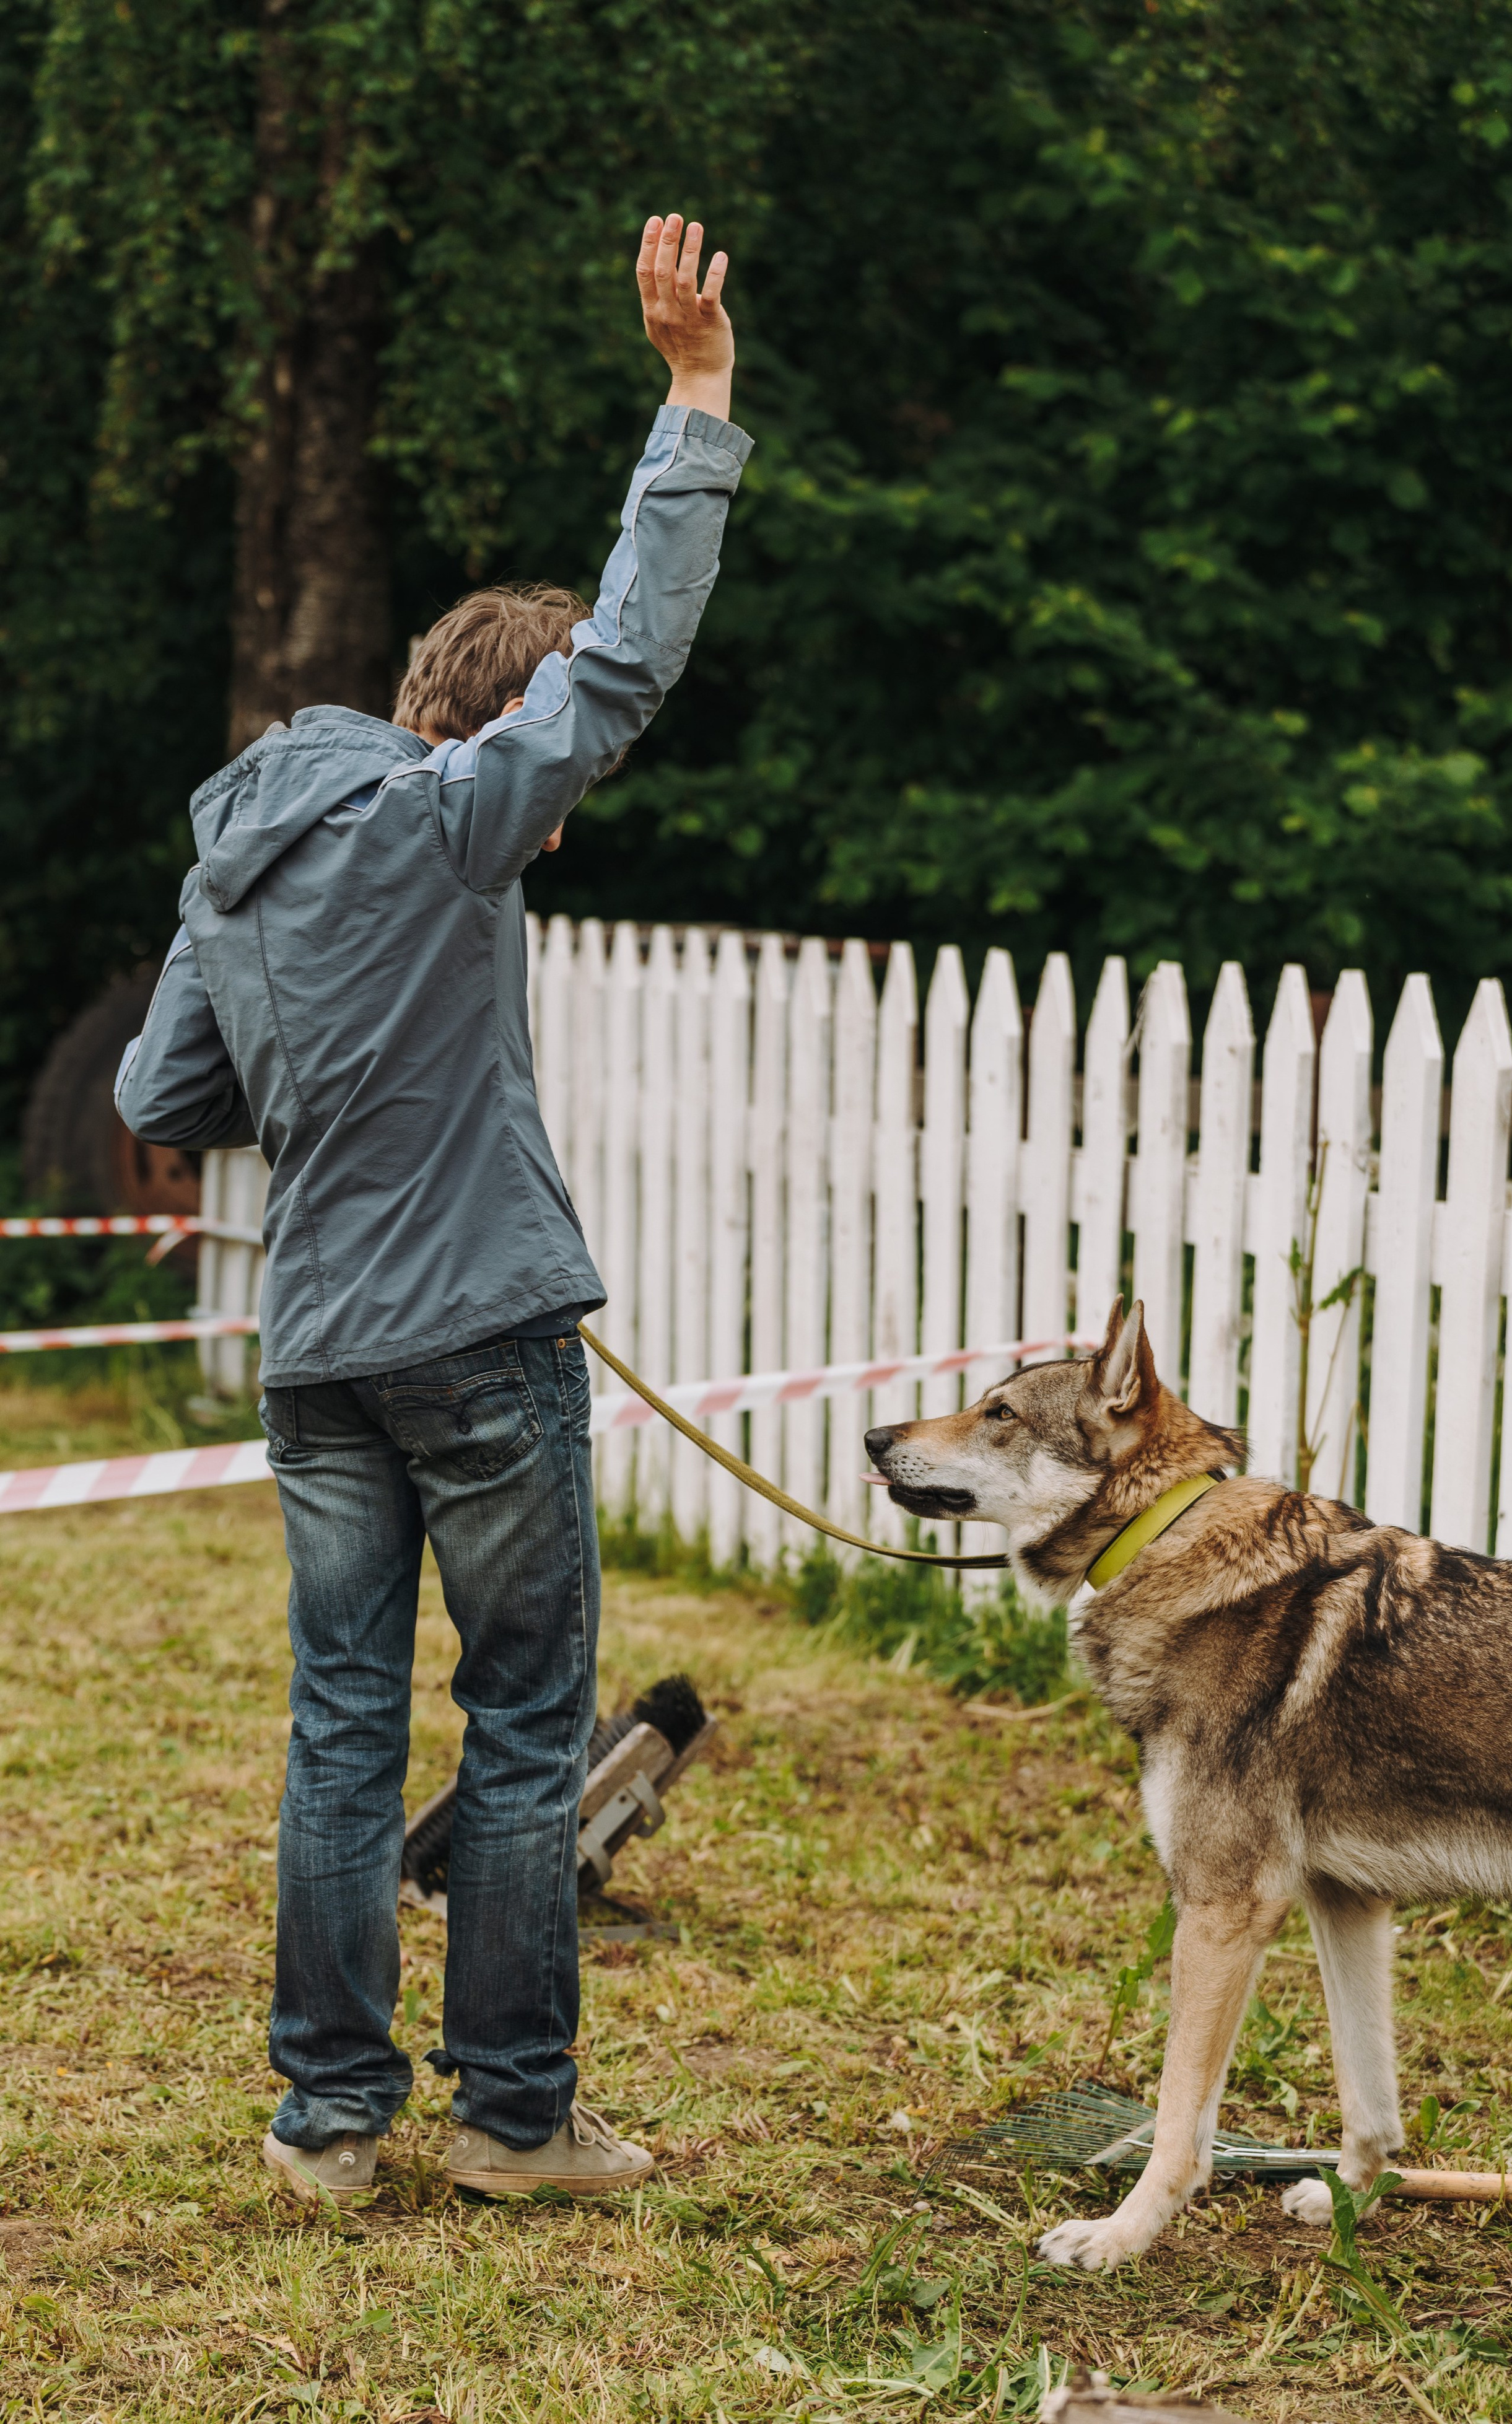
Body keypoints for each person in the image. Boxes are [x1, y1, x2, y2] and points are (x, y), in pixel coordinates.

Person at [114, 214, 748, 2204]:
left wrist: (323, 1078)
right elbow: (627, 660)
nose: (546, 835)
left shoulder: (244, 857)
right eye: (543, 796)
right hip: (478, 1337)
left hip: (317, 1356)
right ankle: (513, 2115)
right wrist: (697, 399)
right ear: (495, 739)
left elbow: (163, 1093)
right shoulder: (441, 812)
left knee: (336, 1731)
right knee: (533, 1711)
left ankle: (323, 2124)